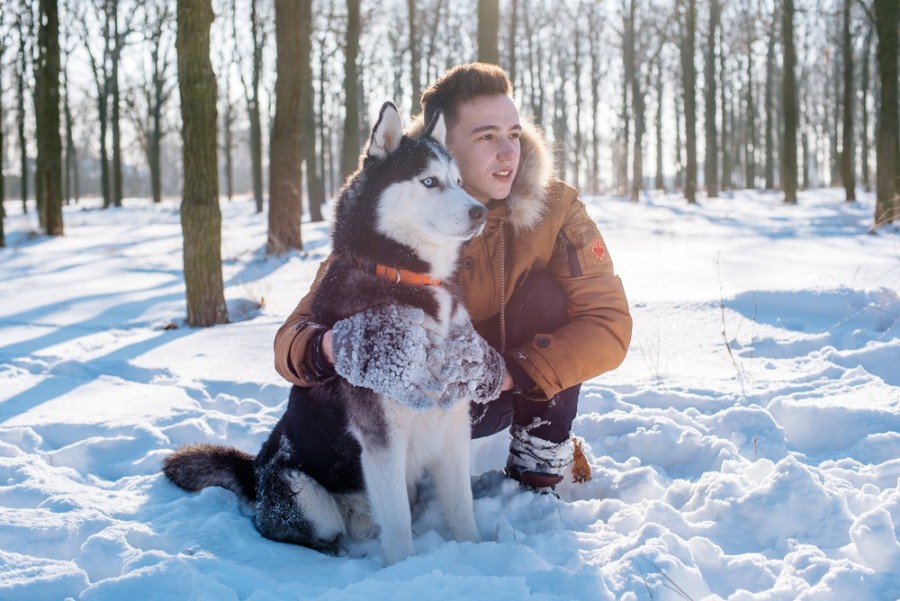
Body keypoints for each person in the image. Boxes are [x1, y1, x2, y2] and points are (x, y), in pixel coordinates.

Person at [273, 63, 632, 491]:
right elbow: (292, 336)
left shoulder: (554, 207)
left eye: (514, 134)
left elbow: (609, 323)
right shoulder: (394, 214)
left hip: (500, 392)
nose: (508, 152)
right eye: (487, 136)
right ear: (443, 146)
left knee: (546, 294)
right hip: (412, 407)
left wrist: (508, 373)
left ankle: (539, 455)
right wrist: (329, 346)